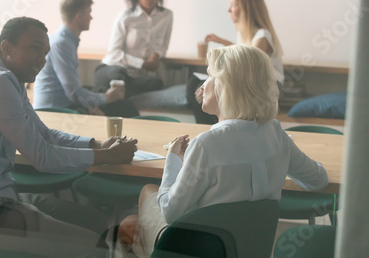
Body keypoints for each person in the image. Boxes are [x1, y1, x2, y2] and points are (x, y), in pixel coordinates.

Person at [0, 16, 138, 257]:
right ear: (7, 48)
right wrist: (107, 156)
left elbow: (45, 135)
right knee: (93, 244)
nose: (42, 59)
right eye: (34, 48)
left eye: (45, 52)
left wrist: (97, 144)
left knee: (93, 219)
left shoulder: (6, 78)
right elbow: (43, 157)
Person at [119, 45, 328, 258]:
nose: (203, 85)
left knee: (143, 200)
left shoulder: (205, 145)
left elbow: (171, 212)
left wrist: (173, 157)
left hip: (198, 248)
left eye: (209, 76)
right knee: (134, 226)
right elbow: (318, 180)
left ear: (226, 86)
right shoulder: (275, 133)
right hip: (250, 249)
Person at [187, 0, 284, 124]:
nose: (229, 9)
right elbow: (240, 56)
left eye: (233, 5)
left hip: (266, 85)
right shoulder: (244, 35)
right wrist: (220, 41)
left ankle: (216, 128)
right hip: (248, 80)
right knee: (194, 84)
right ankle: (210, 127)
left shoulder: (262, 36)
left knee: (205, 88)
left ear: (246, 9)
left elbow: (246, 62)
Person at [33, 0, 139, 117]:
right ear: (79, 17)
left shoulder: (65, 40)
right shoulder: (61, 44)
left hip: (66, 104)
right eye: (89, 13)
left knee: (100, 91)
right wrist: (106, 98)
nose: (91, 17)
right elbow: (73, 92)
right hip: (56, 111)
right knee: (125, 107)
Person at [94, 0, 173, 98]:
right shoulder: (125, 16)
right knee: (118, 76)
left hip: (137, 77)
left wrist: (157, 55)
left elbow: (163, 47)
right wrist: (142, 64)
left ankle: (115, 93)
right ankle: (116, 92)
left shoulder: (167, 16)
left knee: (157, 83)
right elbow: (114, 53)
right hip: (112, 69)